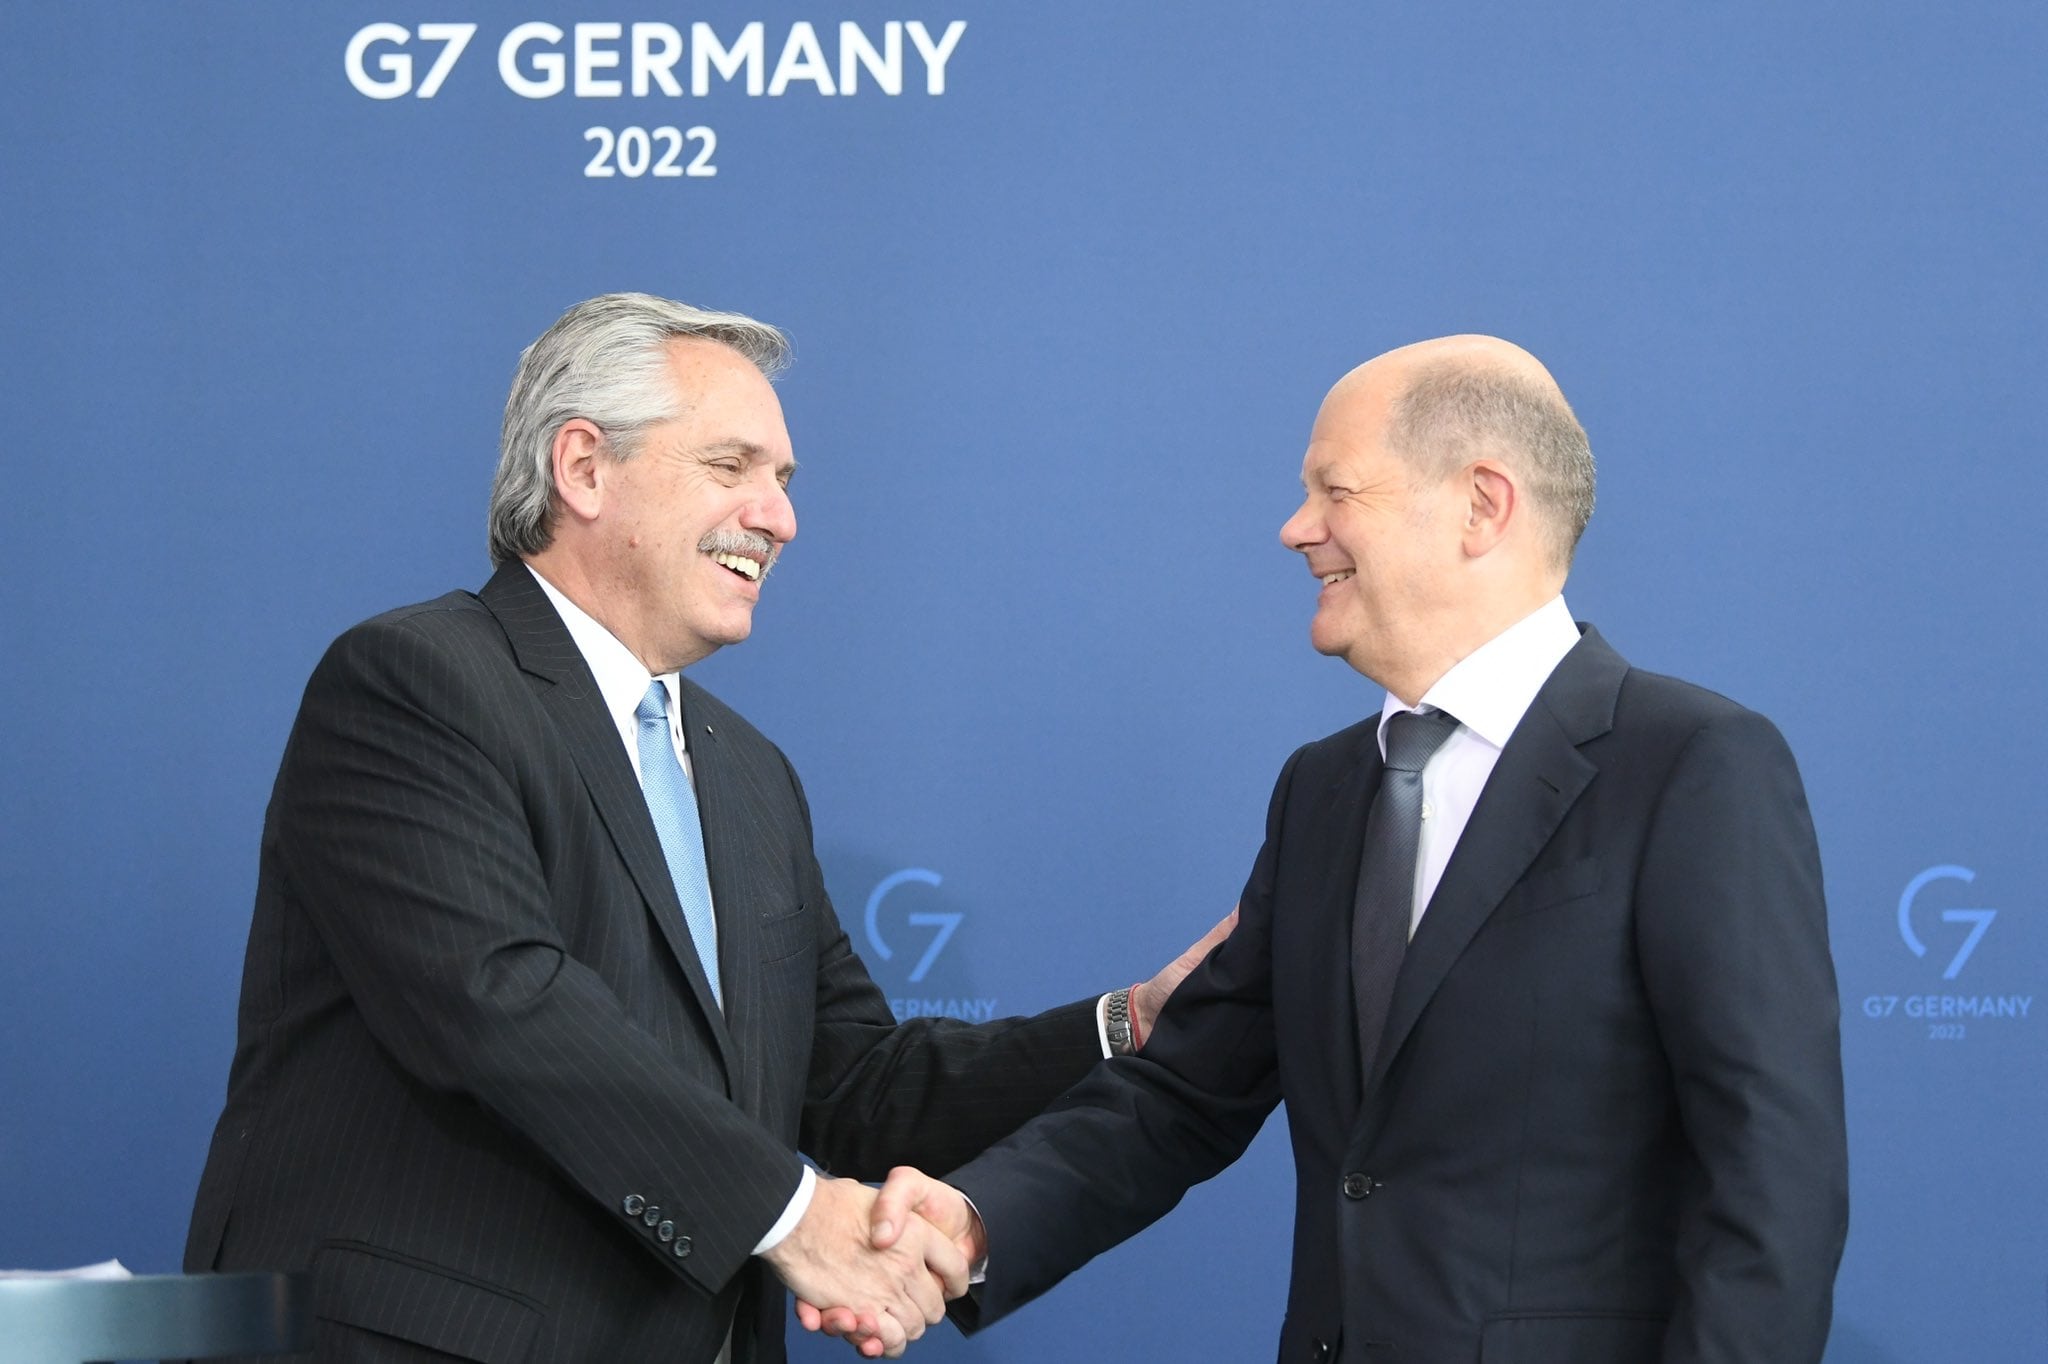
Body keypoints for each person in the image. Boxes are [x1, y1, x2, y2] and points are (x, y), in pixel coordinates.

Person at [183, 292, 1230, 1363]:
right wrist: (796, 1216)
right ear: (583, 468)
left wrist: (1123, 1024)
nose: (778, 517)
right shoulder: (415, 681)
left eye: (781, 480)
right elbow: (500, 1004)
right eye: (731, 466)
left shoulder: (747, 771)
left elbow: (852, 1081)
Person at [835, 336, 1850, 1362]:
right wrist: (972, 1224)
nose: (1294, 529)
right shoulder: (1323, 787)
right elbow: (1182, 1090)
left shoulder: (1688, 763)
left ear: (1479, 504)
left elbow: (1771, 1180)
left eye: (1333, 489)